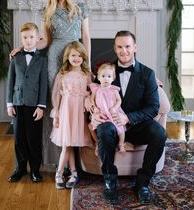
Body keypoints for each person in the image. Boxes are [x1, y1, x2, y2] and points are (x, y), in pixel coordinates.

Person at [10, 0, 91, 169]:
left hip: (75, 56)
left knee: (73, 103)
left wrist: (87, 64)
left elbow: (86, 36)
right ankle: (53, 159)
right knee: (56, 104)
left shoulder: (81, 8)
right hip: (54, 59)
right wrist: (24, 48)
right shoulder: (48, 10)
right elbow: (45, 40)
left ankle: (76, 160)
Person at [88, 31, 167, 205]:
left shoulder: (147, 73)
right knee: (104, 129)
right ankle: (110, 181)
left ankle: (143, 183)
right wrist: (90, 105)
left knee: (159, 134)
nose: (124, 51)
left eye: (127, 46)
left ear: (135, 47)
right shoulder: (105, 71)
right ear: (115, 49)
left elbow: (153, 107)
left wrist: (128, 118)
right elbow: (93, 92)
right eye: (120, 47)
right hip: (111, 123)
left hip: (137, 124)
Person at [6, 22, 48, 183]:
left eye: (31, 37)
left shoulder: (42, 59)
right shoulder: (16, 57)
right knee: (19, 138)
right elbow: (11, 81)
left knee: (34, 138)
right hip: (17, 103)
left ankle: (35, 170)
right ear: (21, 39)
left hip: (34, 105)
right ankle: (20, 168)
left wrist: (41, 106)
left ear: (37, 38)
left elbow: (44, 84)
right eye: (25, 37)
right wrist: (9, 103)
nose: (28, 40)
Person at [50, 41, 92, 189]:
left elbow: (91, 94)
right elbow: (57, 97)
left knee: (71, 144)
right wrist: (56, 115)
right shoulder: (62, 75)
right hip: (66, 114)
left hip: (80, 114)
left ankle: (74, 172)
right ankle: (59, 173)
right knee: (67, 145)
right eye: (73, 55)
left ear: (84, 57)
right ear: (68, 56)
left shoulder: (87, 75)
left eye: (80, 55)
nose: (76, 58)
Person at [88, 63, 126, 155]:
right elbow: (91, 99)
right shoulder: (96, 89)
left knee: (120, 127)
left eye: (109, 76)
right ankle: (97, 143)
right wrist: (95, 108)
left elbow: (119, 100)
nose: (106, 79)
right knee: (90, 126)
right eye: (103, 76)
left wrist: (114, 108)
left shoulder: (114, 89)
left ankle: (121, 144)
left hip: (112, 112)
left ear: (113, 78)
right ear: (98, 77)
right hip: (100, 114)